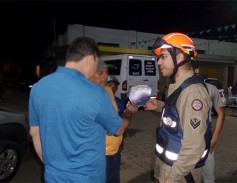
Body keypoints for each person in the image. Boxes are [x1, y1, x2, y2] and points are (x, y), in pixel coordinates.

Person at [29, 37, 131, 183]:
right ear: (90, 59)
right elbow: (118, 130)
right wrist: (129, 113)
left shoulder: (39, 87)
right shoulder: (95, 92)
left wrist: (51, 165)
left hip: (52, 177)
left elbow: (35, 133)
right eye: (96, 64)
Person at [144, 32, 212, 183]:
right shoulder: (179, 87)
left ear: (179, 57)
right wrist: (160, 106)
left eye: (163, 56)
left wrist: (171, 179)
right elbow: (179, 116)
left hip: (179, 175)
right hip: (167, 169)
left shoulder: (192, 92)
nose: (159, 62)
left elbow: (194, 147)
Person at [89, 61, 137, 183]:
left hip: (114, 153)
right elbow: (118, 129)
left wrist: (120, 142)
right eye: (100, 72)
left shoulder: (107, 91)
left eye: (106, 72)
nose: (105, 75)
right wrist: (129, 111)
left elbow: (114, 118)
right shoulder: (88, 95)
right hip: (99, 156)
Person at [191, 61, 226, 183]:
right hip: (185, 142)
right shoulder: (180, 89)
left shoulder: (211, 89)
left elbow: (221, 113)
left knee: (209, 176)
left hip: (206, 140)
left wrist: (215, 138)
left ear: (196, 70)